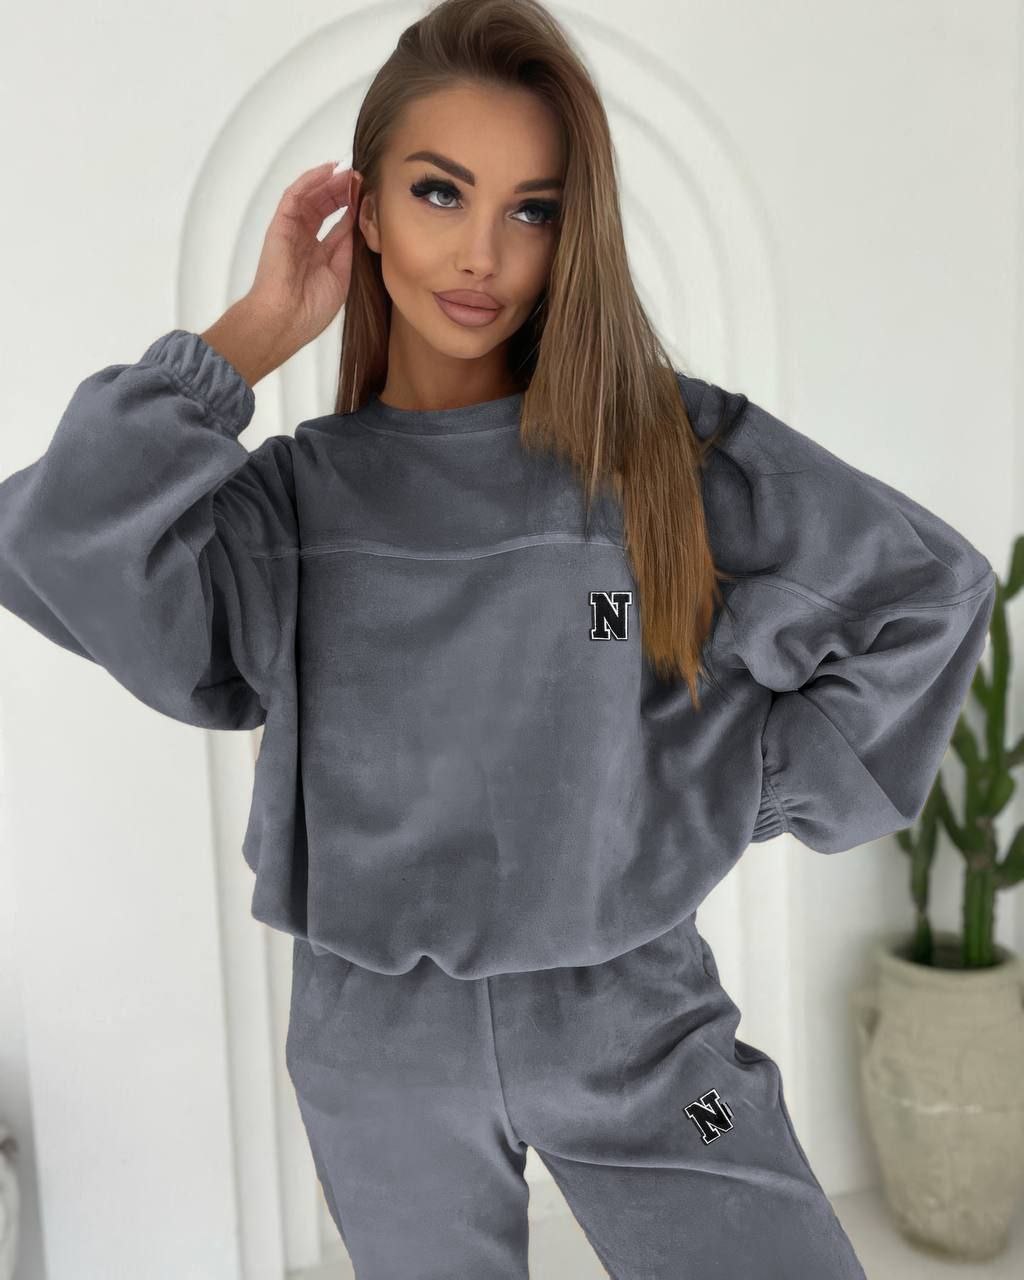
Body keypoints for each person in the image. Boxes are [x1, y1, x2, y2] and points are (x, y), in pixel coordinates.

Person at [0, 0, 996, 1276]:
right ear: (366, 212)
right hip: (380, 1071)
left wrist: (724, 786)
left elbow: (928, 594)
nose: (482, 254)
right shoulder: (293, 509)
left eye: (532, 210)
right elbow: (55, 536)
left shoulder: (664, 454)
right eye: (438, 193)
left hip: (651, 1055)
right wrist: (251, 332)